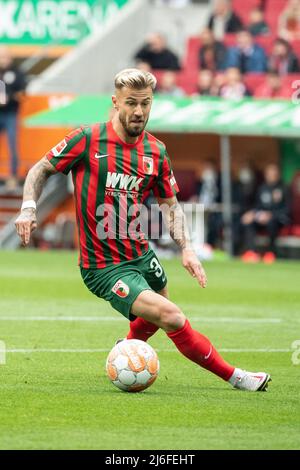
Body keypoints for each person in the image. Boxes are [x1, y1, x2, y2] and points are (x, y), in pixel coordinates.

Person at [15, 68, 271, 392]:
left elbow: (171, 205)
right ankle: (237, 377)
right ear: (116, 102)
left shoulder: (156, 151)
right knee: (172, 316)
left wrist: (187, 249)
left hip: (141, 253)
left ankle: (126, 347)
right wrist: (28, 207)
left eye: (145, 103)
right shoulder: (88, 139)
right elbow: (42, 168)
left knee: (153, 315)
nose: (139, 111)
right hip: (104, 267)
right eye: (131, 103)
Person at [240, 163, 290, 263]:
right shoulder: (262, 188)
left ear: (277, 174)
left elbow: (287, 209)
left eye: (273, 173)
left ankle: (270, 253)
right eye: (269, 173)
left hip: (279, 219)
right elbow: (258, 206)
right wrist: (253, 213)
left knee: (272, 222)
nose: (271, 175)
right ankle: (252, 252)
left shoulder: (284, 188)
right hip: (262, 218)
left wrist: (271, 215)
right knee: (249, 222)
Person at [0, 46, 26, 190]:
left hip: (10, 113)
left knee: (12, 145)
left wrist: (9, 98)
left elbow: (23, 92)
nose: (3, 59)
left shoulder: (17, 72)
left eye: (5, 56)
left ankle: (13, 176)